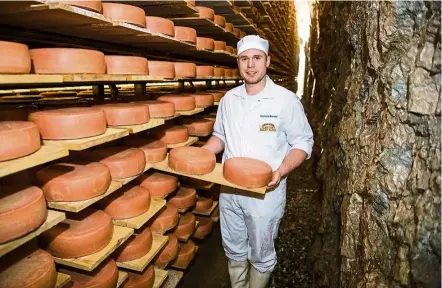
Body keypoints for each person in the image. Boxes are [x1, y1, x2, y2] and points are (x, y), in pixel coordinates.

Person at [202, 35, 314, 288]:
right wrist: (203, 154)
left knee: (261, 255)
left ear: (267, 61)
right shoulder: (229, 100)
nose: (250, 65)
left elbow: (303, 142)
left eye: (256, 58)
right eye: (244, 59)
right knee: (233, 249)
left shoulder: (286, 100)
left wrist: (281, 171)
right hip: (230, 191)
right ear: (238, 63)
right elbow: (220, 136)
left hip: (265, 194)